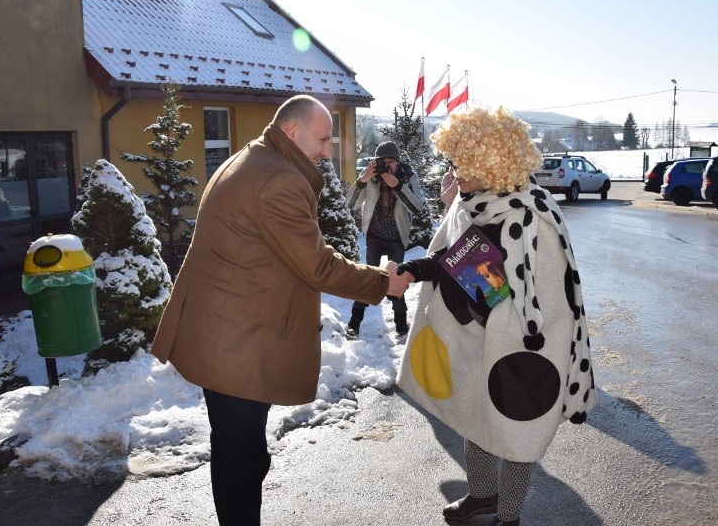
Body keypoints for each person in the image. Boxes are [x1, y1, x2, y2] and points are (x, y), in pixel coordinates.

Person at [150, 95, 411, 526]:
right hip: (236, 346)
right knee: (241, 459)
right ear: (292, 131)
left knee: (240, 452)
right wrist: (383, 282)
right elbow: (318, 264)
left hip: (225, 336)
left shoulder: (253, 158)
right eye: (323, 139)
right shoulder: (278, 180)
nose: (328, 152)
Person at [395, 106, 597, 526]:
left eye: (464, 169)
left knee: (515, 432)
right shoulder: (471, 201)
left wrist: (486, 302)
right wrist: (419, 269)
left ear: (492, 166)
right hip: (474, 334)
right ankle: (482, 496)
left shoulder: (534, 215)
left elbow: (546, 299)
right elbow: (454, 258)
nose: (455, 178)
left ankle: (508, 516)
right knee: (475, 419)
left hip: (521, 348)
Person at [344, 141, 424, 336]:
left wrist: (398, 186)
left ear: (397, 161)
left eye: (391, 161)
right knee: (368, 279)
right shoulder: (371, 177)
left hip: (397, 238)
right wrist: (362, 180)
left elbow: (417, 207)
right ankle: (354, 324)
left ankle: (402, 326)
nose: (387, 165)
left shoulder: (408, 177)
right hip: (375, 237)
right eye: (383, 161)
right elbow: (351, 204)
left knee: (397, 280)